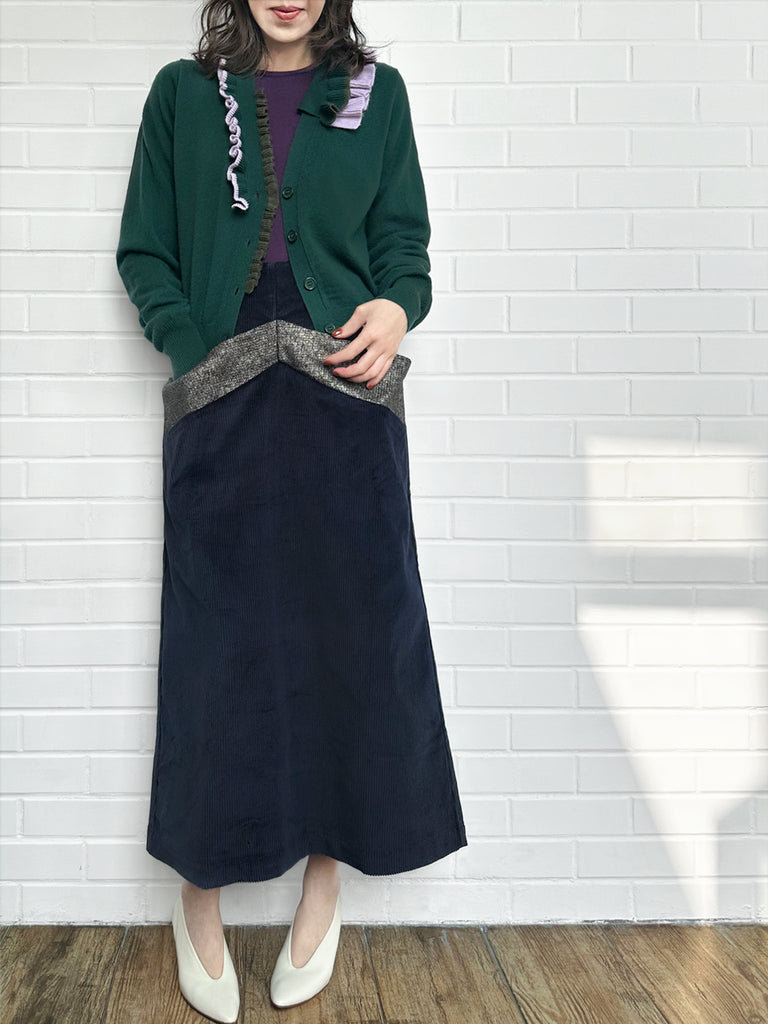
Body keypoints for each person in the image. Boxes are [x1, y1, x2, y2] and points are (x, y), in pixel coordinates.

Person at [115, 1, 468, 1019]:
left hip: (345, 386)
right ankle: (199, 895)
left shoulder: (376, 94)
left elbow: (405, 250)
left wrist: (397, 307)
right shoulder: (182, 96)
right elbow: (144, 251)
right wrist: (196, 348)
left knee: (353, 634)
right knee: (215, 641)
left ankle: (324, 887)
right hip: (218, 389)